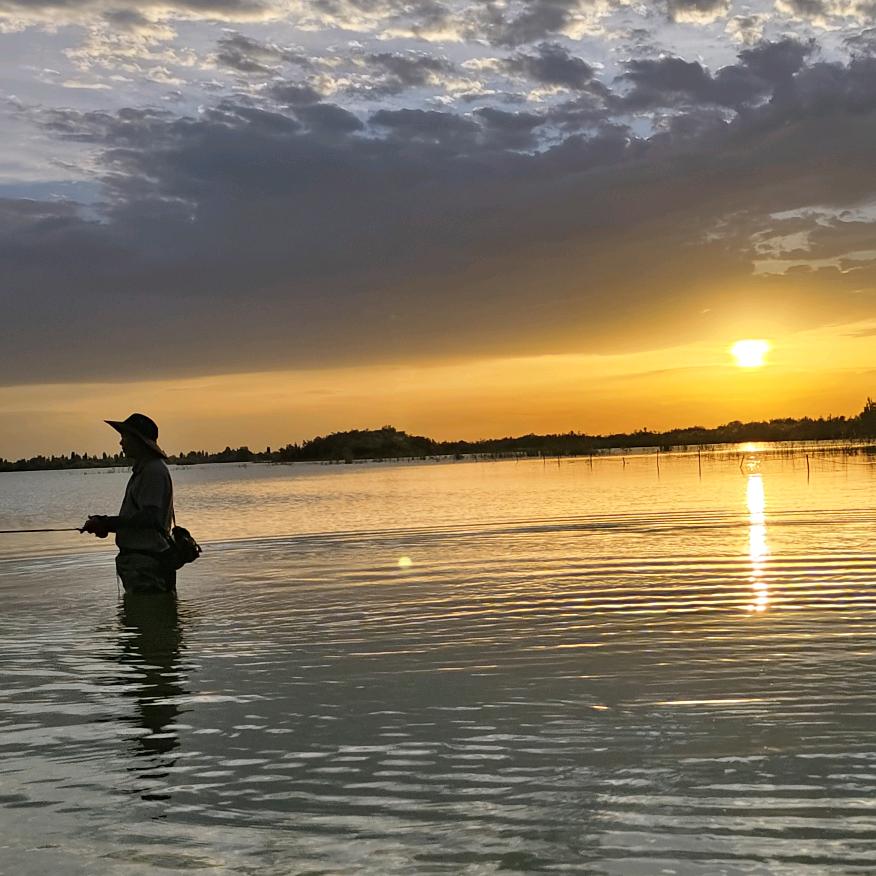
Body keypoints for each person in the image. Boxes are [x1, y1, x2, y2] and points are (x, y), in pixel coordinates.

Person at [82, 413, 176, 594]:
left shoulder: (153, 471)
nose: (121, 442)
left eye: (124, 437)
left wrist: (107, 523)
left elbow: (149, 518)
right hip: (143, 565)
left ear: (139, 441)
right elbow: (139, 519)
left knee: (147, 610)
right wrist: (105, 524)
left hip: (147, 567)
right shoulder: (146, 469)